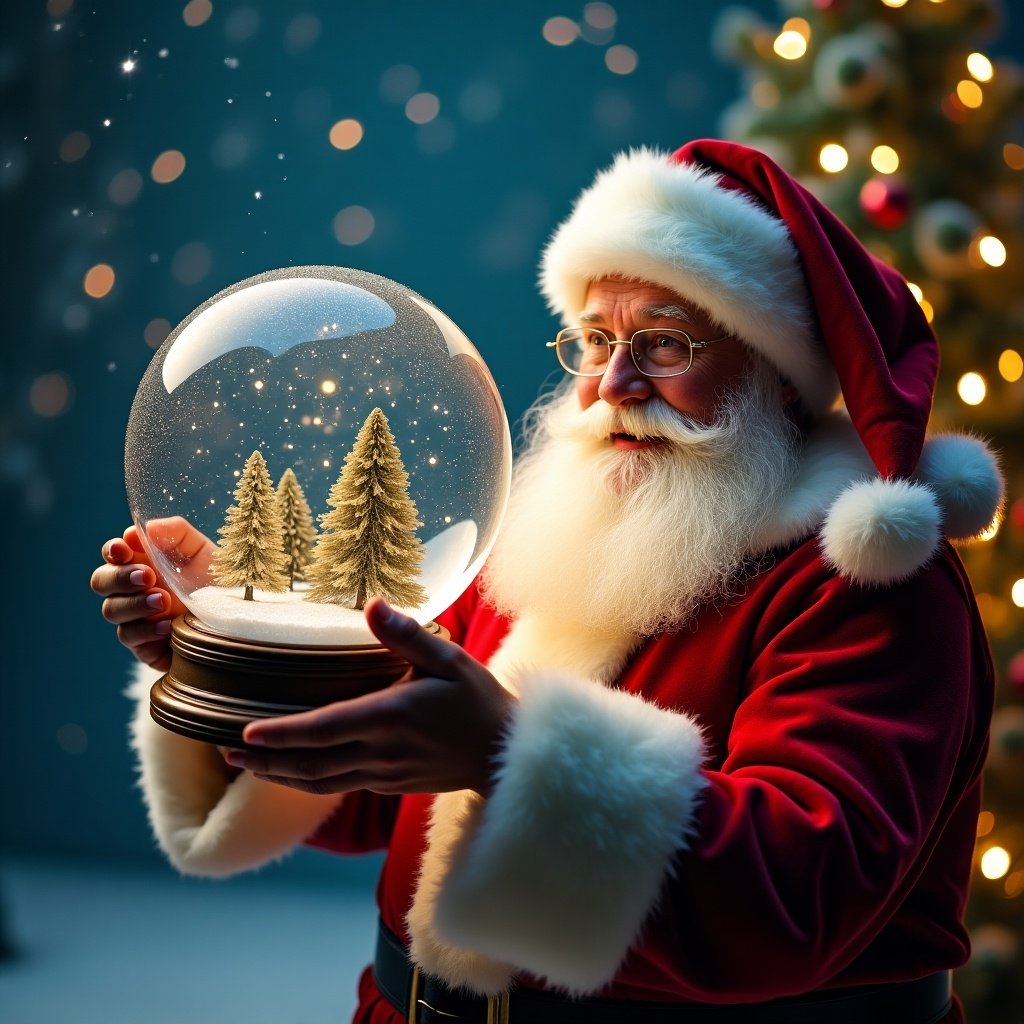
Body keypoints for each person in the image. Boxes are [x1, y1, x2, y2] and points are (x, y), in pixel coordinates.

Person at [91, 140, 1003, 1023]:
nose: (612, 383)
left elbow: (797, 899)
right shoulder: (571, 536)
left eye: (665, 344)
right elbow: (378, 785)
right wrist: (232, 643)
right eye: (595, 339)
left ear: (778, 374)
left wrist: (506, 757)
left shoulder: (864, 587)